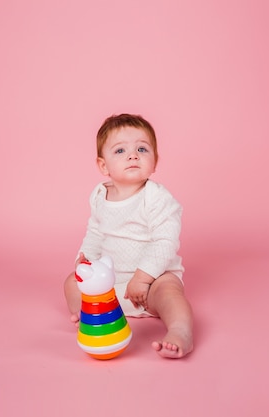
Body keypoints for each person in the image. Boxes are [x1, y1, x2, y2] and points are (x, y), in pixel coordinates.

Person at [63, 113, 194, 359]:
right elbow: (95, 231)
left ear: (155, 162)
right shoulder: (100, 195)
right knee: (72, 282)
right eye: (120, 151)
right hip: (111, 284)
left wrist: (143, 279)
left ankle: (181, 332)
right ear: (103, 166)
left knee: (170, 293)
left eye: (142, 149)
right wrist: (86, 261)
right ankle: (89, 314)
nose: (133, 155)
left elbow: (165, 242)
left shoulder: (156, 198)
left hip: (152, 281)